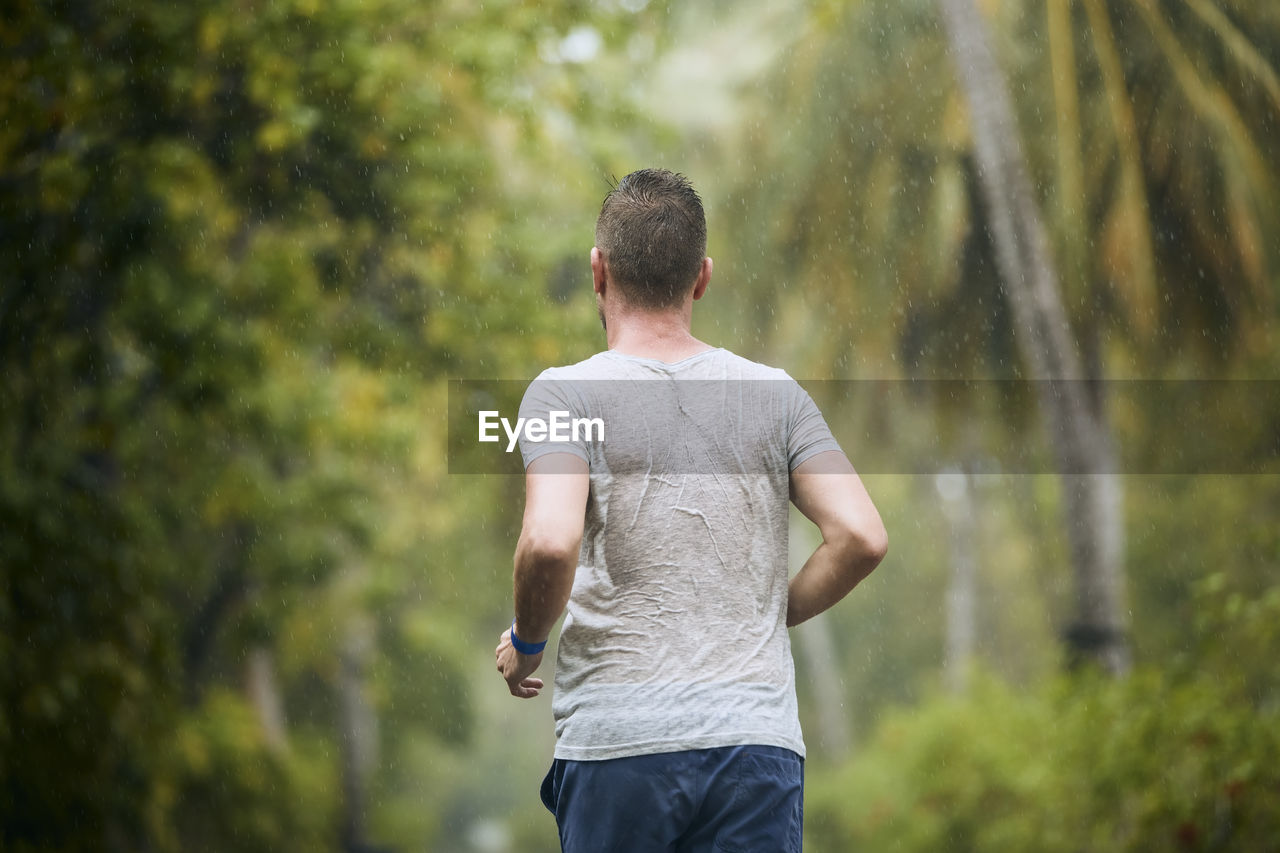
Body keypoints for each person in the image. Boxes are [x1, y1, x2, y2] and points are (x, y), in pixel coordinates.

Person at [494, 168, 887, 852]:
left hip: (620, 745)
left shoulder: (565, 397)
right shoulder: (775, 395)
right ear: (701, 276)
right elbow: (860, 535)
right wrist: (771, 608)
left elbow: (551, 542)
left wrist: (528, 643)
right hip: (753, 747)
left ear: (599, 270)